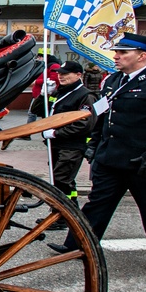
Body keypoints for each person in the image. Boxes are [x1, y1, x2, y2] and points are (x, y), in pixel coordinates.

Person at [49, 34, 146, 254]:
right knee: (96, 206)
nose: (117, 56)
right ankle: (77, 246)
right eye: (117, 52)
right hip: (110, 158)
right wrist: (94, 146)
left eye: (123, 53)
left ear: (142, 56)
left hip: (140, 161)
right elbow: (102, 116)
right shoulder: (113, 81)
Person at [31, 61, 96, 225]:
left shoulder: (85, 95)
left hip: (71, 146)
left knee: (60, 180)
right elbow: (37, 110)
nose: (61, 76)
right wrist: (43, 95)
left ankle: (60, 217)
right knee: (64, 183)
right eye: (60, 73)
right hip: (56, 145)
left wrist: (56, 133)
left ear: (78, 75)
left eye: (66, 74)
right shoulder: (60, 92)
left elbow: (85, 124)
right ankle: (70, 214)